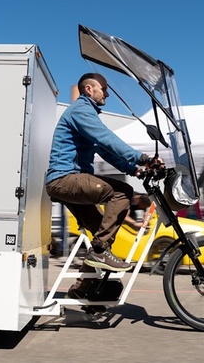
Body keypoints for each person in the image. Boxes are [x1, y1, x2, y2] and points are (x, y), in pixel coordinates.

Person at [45, 73, 163, 301]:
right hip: (66, 179)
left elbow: (104, 149)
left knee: (103, 234)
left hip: (70, 181)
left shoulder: (86, 114)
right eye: (104, 89)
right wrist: (143, 158)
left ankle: (82, 290)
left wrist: (135, 169)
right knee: (123, 192)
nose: (107, 94)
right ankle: (98, 253)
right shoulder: (81, 110)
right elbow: (107, 139)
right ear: (89, 89)